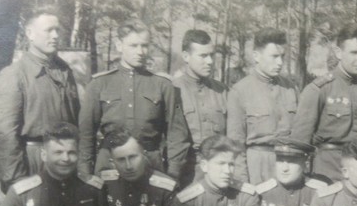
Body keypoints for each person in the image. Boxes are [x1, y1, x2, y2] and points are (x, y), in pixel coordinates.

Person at [78, 18, 190, 180]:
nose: (140, 52)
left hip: (150, 164)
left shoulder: (163, 85)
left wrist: (173, 174)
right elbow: (86, 134)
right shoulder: (99, 84)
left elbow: (176, 134)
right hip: (110, 164)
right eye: (133, 45)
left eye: (144, 45)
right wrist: (84, 173)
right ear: (119, 45)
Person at [0, 6, 80, 193]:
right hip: (31, 163)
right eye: (48, 30)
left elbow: (75, 120)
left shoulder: (64, 71)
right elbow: (3, 134)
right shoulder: (13, 75)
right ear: (30, 34)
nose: (55, 36)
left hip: (65, 161)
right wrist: (17, 179)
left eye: (57, 30)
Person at [292, 25, 357, 181]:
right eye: (354, 53)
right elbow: (299, 141)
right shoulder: (319, 89)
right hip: (327, 172)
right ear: (338, 53)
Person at [227, 28, 298, 184]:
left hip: (288, 165)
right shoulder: (240, 91)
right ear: (256, 56)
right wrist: (242, 183)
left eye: (282, 57)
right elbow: (236, 144)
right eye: (274, 56)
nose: (280, 63)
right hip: (257, 168)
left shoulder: (290, 88)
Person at [173, 29, 227, 186]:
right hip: (186, 173)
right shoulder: (172, 90)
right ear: (186, 56)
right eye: (203, 56)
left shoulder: (223, 91)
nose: (210, 61)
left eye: (211, 55)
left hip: (219, 171)